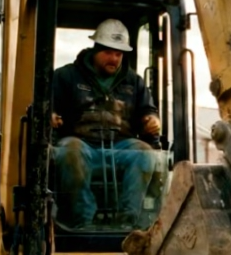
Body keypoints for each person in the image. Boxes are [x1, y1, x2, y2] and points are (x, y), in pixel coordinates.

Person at [50, 19, 162, 229]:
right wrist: (51, 114)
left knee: (145, 153)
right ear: (95, 50)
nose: (114, 59)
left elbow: (148, 110)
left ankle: (129, 222)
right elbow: (49, 106)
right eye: (108, 52)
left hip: (120, 148)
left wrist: (152, 121)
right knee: (70, 151)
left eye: (118, 54)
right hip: (81, 144)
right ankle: (82, 220)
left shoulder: (134, 82)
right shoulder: (66, 76)